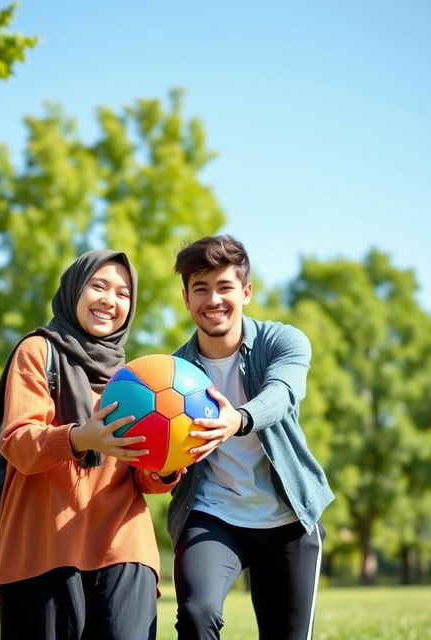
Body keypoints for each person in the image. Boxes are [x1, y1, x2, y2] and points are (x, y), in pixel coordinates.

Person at [0, 249, 181, 640]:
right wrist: (78, 437)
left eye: (124, 293)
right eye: (99, 286)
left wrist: (168, 462)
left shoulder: (139, 376)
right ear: (74, 290)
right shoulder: (38, 351)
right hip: (43, 545)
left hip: (124, 545)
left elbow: (145, 476)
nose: (111, 300)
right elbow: (19, 443)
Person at [167, 235, 334, 640]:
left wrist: (238, 420)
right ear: (186, 298)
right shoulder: (173, 373)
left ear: (245, 292)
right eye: (200, 289)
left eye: (224, 287)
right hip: (213, 515)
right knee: (196, 613)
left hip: (288, 517)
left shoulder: (283, 341)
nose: (213, 300)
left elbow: (282, 394)